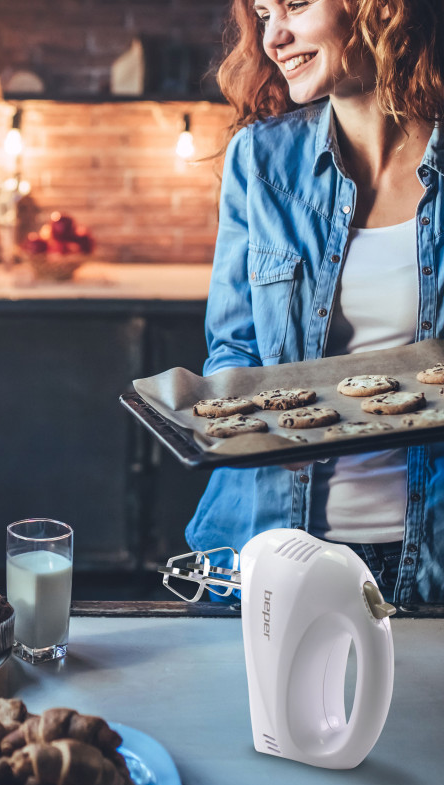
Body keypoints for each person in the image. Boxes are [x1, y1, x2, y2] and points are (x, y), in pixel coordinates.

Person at [185, 0, 444, 604]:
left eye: (295, 5)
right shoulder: (261, 159)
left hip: (429, 556)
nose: (275, 37)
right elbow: (234, 345)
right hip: (269, 544)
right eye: (263, 12)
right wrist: (255, 430)